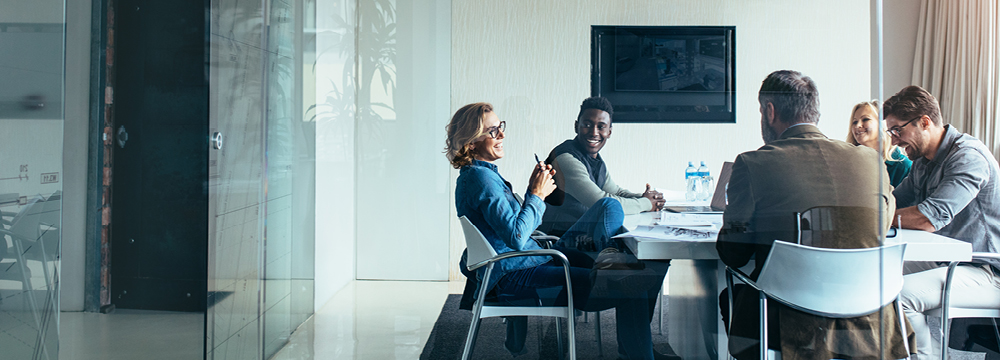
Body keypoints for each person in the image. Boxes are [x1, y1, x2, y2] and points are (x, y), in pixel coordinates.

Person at [446, 102, 672, 360]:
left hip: (530, 263)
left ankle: (613, 273)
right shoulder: (481, 179)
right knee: (632, 285)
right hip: (518, 277)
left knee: (631, 273)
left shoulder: (481, 175)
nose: (502, 135)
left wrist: (534, 191)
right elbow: (518, 238)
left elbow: (515, 232)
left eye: (501, 127)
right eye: (493, 131)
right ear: (472, 142)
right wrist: (536, 194)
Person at [716, 70, 910, 360]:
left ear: (769, 111)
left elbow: (734, 253)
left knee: (730, 295)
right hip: (870, 322)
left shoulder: (753, 163)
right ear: (814, 111)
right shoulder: (871, 161)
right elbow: (876, 229)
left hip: (788, 323)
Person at [884, 85, 1000, 360]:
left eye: (897, 130)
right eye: (891, 132)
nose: (894, 141)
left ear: (924, 121)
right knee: (877, 272)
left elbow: (927, 218)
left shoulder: (968, 157)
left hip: (988, 269)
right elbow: (893, 202)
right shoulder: (924, 161)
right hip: (952, 261)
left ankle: (927, 357)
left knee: (901, 295)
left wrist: (873, 217)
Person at [539, 96, 665, 246]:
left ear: (609, 132)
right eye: (587, 124)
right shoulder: (565, 159)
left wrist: (649, 198)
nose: (594, 132)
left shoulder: (594, 158)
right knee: (636, 253)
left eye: (601, 126)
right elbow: (602, 201)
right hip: (560, 241)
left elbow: (615, 191)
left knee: (642, 255)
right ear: (576, 126)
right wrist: (645, 203)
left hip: (581, 236)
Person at [846, 100, 912, 186]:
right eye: (854, 122)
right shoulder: (848, 163)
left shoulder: (902, 166)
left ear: (883, 124)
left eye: (865, 119)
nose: (858, 125)